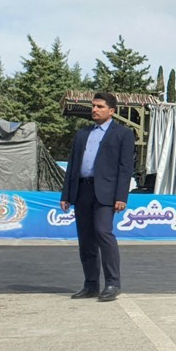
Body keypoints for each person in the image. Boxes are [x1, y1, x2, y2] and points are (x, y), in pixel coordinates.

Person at [60, 92, 134, 302]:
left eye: (100, 106)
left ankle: (112, 283)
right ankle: (91, 284)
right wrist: (66, 194)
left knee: (103, 232)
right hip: (82, 190)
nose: (94, 110)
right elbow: (72, 165)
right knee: (86, 239)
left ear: (111, 111)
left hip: (106, 192)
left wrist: (121, 196)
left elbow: (125, 167)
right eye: (93, 106)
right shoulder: (82, 134)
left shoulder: (123, 134)